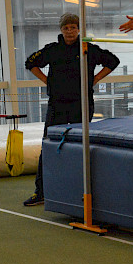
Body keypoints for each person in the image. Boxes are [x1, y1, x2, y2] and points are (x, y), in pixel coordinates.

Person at [23, 13, 120, 206]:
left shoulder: (88, 49)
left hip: (81, 104)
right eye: (66, 28)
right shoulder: (52, 50)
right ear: (61, 30)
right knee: (49, 145)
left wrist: (96, 78)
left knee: (81, 147)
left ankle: (82, 191)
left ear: (78, 29)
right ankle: (40, 191)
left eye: (73, 27)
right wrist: (47, 81)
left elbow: (113, 61)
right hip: (57, 104)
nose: (70, 31)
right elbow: (30, 63)